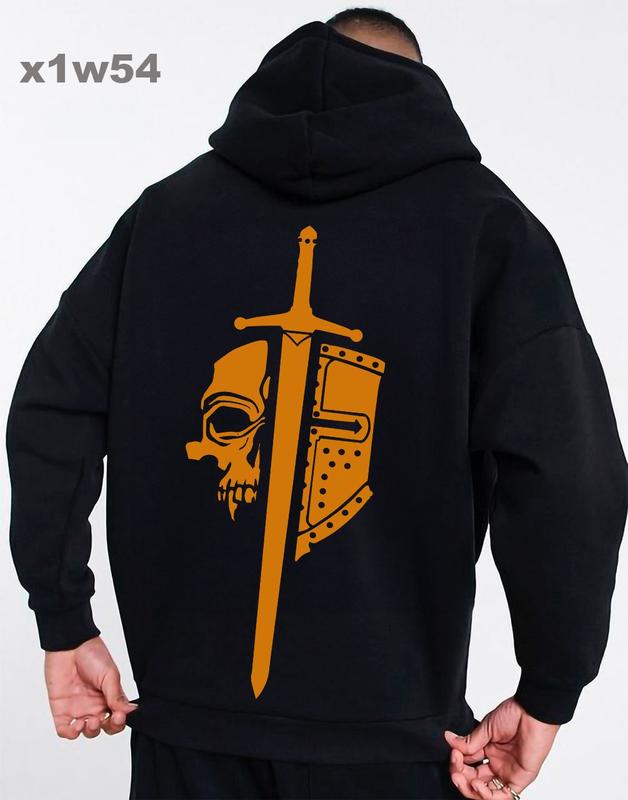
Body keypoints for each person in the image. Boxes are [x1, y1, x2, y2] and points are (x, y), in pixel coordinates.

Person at [7, 8, 627, 800]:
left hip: (189, 741)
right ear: (418, 90)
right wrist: (549, 686)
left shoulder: (165, 218)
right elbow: (571, 473)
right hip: (396, 744)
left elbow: (50, 407)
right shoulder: (485, 226)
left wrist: (64, 620)